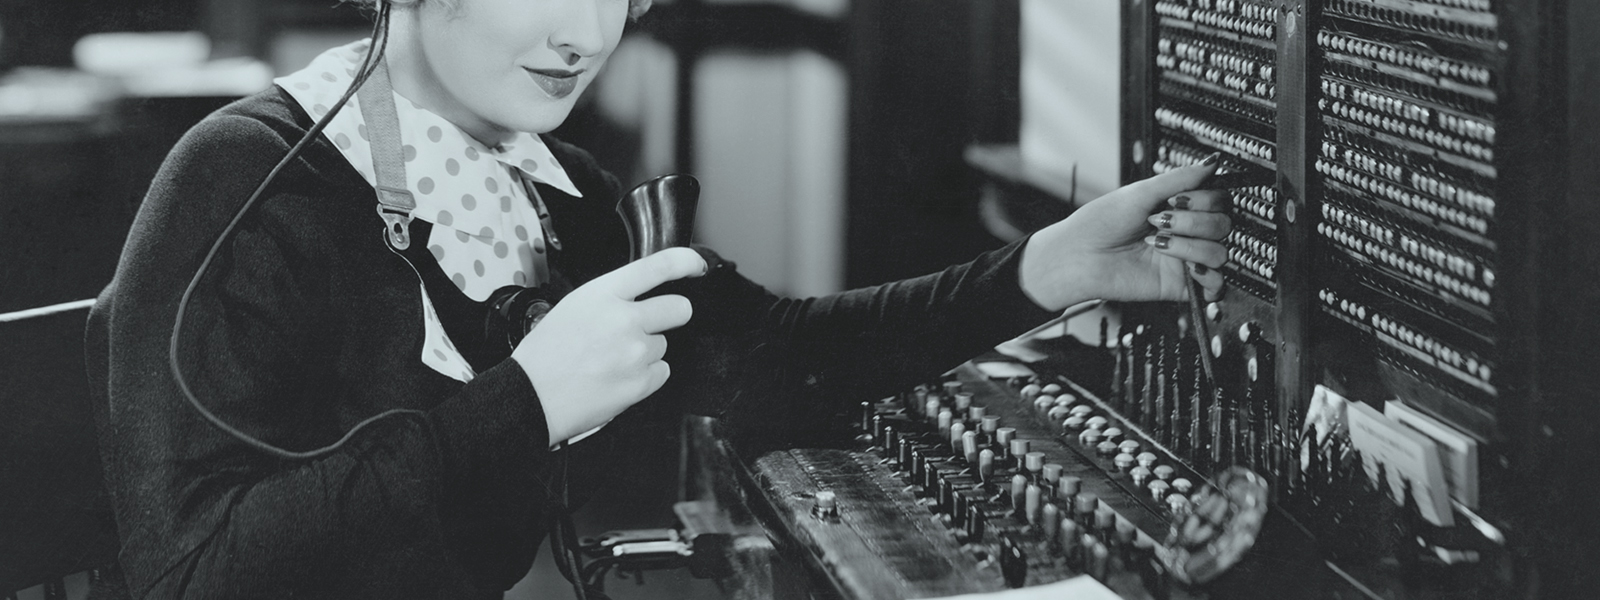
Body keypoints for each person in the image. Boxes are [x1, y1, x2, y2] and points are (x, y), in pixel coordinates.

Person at [83, 0, 1234, 597]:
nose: (585, 34)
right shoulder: (243, 181)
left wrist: (1046, 270)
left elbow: (772, 352)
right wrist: (527, 403)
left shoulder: (551, 189)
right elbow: (192, 579)